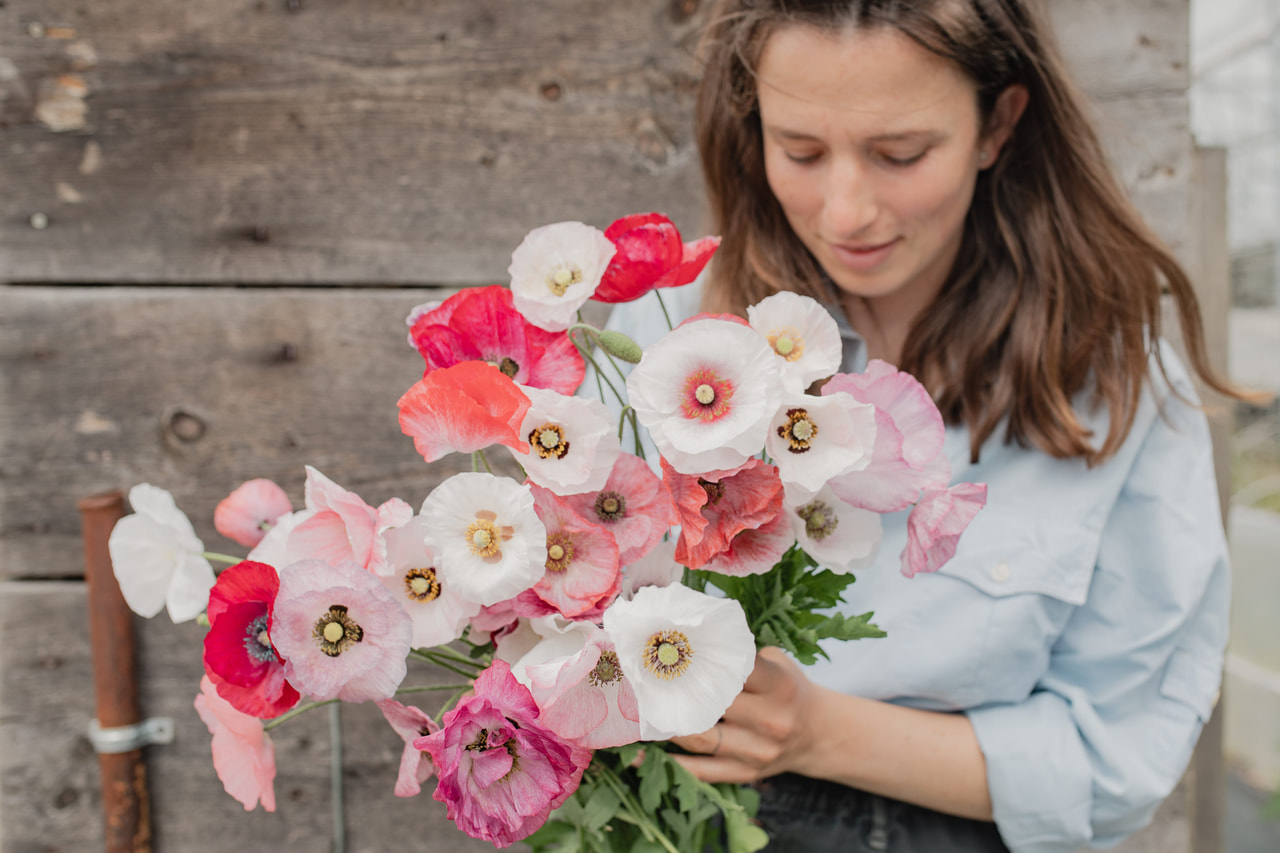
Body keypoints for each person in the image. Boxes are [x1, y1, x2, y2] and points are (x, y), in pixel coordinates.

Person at [597, 1, 1244, 851]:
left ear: (998, 125)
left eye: (900, 154)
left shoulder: (1115, 383)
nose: (845, 212)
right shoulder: (667, 340)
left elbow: (1120, 757)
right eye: (800, 151)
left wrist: (818, 732)